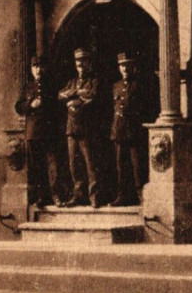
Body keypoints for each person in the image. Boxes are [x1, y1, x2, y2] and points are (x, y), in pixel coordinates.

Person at [58, 47, 102, 207]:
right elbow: (60, 95)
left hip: (86, 129)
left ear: (89, 62)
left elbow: (92, 97)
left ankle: (94, 196)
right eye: (78, 62)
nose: (80, 64)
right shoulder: (72, 81)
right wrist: (78, 93)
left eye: (83, 61)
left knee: (90, 164)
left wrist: (73, 98)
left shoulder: (94, 81)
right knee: (74, 165)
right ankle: (78, 195)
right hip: (71, 129)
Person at [15, 55, 59, 208]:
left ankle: (56, 196)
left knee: (53, 165)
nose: (38, 70)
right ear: (31, 69)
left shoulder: (51, 86)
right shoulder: (27, 87)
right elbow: (18, 107)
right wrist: (30, 104)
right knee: (36, 166)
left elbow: (57, 107)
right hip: (33, 132)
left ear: (44, 68)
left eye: (41, 66)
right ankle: (41, 197)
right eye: (35, 67)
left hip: (49, 131)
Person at [110, 53, 146, 206]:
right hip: (119, 130)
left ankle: (141, 196)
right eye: (122, 65)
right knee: (120, 166)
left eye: (127, 65)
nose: (124, 68)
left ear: (133, 67)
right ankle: (122, 196)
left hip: (133, 130)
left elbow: (145, 108)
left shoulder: (139, 85)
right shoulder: (116, 86)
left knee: (137, 165)